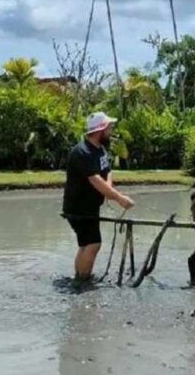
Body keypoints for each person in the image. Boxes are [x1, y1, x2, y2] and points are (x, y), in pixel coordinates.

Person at [63, 111, 135, 285]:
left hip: (90, 206)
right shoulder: (82, 152)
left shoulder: (99, 149)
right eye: (109, 127)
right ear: (100, 130)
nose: (112, 131)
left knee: (86, 244)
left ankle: (80, 278)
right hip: (79, 207)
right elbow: (95, 180)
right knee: (93, 244)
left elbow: (106, 171)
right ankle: (83, 282)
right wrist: (119, 198)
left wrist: (108, 190)